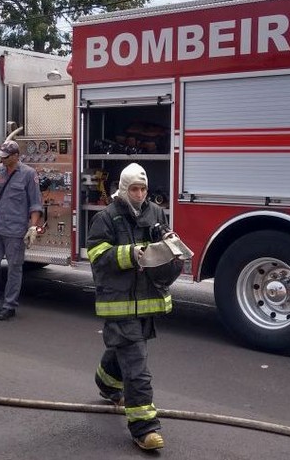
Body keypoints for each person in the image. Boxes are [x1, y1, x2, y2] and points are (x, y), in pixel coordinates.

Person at [85, 163, 182, 451]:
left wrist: (169, 242)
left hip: (146, 300)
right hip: (119, 303)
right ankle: (144, 428)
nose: (139, 195)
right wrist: (130, 254)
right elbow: (97, 255)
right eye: (134, 189)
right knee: (137, 365)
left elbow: (162, 232)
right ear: (123, 189)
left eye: (143, 189)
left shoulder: (155, 211)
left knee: (125, 349)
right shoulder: (106, 217)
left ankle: (106, 383)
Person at [0, 140, 43, 321]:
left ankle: (9, 306)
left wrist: (33, 227)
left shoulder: (28, 174)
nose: (1, 160)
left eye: (5, 157)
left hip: (16, 230)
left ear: (15, 156)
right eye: (0, 156)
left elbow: (35, 204)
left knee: (14, 268)